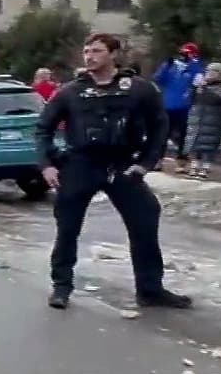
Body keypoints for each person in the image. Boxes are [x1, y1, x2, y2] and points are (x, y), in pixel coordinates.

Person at [36, 33, 191, 311]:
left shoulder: (139, 89)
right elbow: (43, 128)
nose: (89, 56)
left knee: (145, 217)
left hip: (121, 164)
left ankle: (150, 289)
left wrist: (146, 163)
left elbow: (159, 125)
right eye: (87, 51)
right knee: (67, 228)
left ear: (114, 54)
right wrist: (46, 164)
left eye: (97, 51)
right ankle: (61, 286)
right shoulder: (71, 91)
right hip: (81, 164)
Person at [152, 42, 205, 171]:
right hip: (167, 105)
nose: (183, 56)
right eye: (182, 53)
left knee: (183, 136)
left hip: (185, 107)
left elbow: (198, 82)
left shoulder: (196, 67)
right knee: (163, 134)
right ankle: (158, 160)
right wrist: (166, 66)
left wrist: (193, 65)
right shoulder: (172, 65)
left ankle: (181, 162)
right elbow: (157, 79)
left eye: (187, 54)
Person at [182, 63, 221, 180]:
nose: (209, 74)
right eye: (208, 71)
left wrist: (206, 89)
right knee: (194, 145)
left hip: (213, 122)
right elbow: (189, 98)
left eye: (213, 71)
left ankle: (205, 168)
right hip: (197, 120)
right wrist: (195, 88)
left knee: (209, 146)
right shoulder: (199, 87)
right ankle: (194, 166)